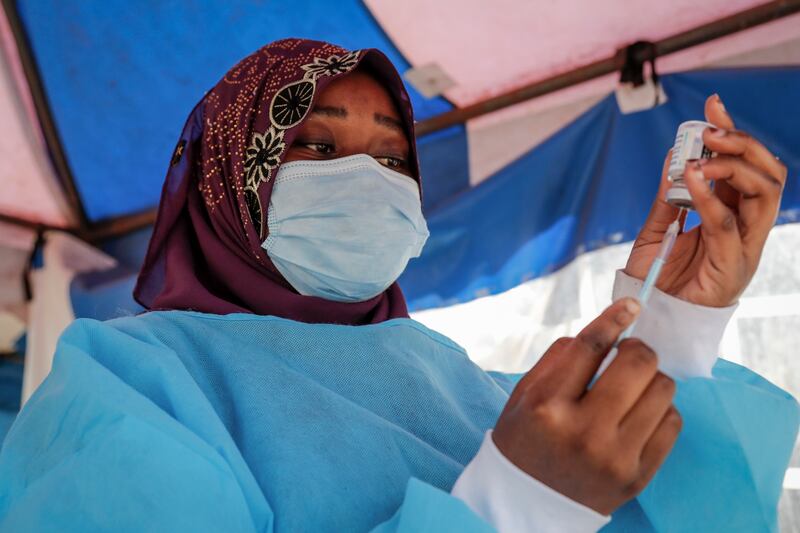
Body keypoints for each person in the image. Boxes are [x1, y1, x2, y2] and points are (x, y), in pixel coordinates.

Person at [0, 38, 796, 533]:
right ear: (225, 184)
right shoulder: (129, 381)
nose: (365, 181)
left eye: (391, 159)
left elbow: (679, 511)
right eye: (314, 146)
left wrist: (674, 323)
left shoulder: (453, 378)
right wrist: (513, 509)